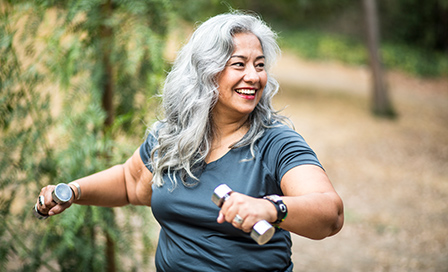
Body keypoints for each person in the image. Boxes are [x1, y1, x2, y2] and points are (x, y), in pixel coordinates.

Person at [35, 12, 344, 271]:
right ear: (206, 72)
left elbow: (330, 214)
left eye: (260, 65)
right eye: (239, 64)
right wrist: (72, 191)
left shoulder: (276, 143)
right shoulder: (171, 135)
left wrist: (271, 208)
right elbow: (131, 183)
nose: (254, 76)